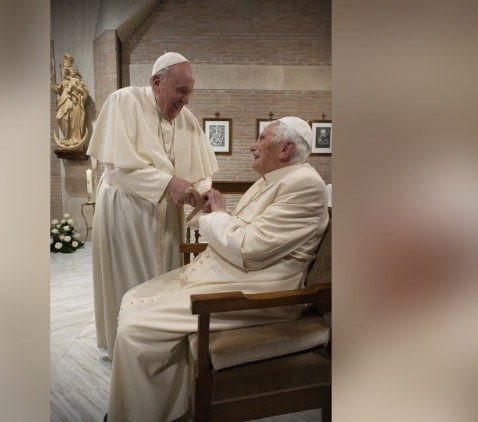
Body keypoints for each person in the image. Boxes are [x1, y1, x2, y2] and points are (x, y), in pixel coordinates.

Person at [107, 117, 330, 421]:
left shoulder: (304, 184)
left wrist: (219, 215)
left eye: (262, 138)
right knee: (132, 298)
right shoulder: (272, 180)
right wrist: (213, 212)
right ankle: (166, 408)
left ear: (286, 148)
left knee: (135, 329)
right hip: (231, 275)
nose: (253, 145)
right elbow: (242, 229)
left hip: (260, 291)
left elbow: (249, 248)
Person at [87, 52, 218, 359]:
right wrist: (168, 183)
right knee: (129, 280)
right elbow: (117, 169)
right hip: (127, 211)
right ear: (157, 82)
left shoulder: (187, 119)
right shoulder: (124, 102)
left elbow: (198, 172)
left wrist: (204, 193)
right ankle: (127, 348)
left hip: (167, 214)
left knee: (165, 281)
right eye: (181, 91)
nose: (185, 100)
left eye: (189, 93)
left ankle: (159, 344)